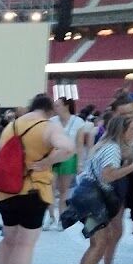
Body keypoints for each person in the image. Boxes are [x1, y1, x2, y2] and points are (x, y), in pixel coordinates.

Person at [0, 94, 74, 264]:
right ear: (49, 110)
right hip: (34, 191)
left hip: (6, 192)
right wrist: (47, 161)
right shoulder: (48, 127)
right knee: (25, 244)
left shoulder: (12, 126)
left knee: (8, 240)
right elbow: (68, 148)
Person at [68, 115, 133, 264]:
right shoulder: (112, 148)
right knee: (99, 241)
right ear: (122, 131)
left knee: (104, 238)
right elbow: (108, 175)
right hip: (93, 200)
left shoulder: (106, 145)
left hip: (90, 197)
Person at [45, 97, 86, 228]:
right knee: (50, 187)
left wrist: (79, 163)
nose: (55, 108)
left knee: (63, 190)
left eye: (57, 105)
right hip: (53, 156)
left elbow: (79, 144)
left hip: (69, 157)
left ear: (66, 106)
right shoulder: (52, 121)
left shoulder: (78, 122)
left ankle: (61, 219)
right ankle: (51, 216)